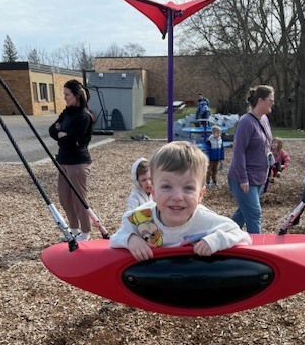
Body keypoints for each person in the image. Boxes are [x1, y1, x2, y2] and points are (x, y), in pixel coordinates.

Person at [110, 141, 251, 261]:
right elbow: (116, 237)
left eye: (188, 188)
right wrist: (131, 240)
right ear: (153, 192)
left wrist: (214, 241)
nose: (177, 197)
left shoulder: (206, 219)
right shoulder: (140, 217)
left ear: (201, 194)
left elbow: (241, 236)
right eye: (166, 186)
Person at [49, 79, 94, 241]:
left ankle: (86, 233)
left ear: (76, 95)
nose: (65, 97)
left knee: (79, 198)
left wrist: (62, 135)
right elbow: (51, 130)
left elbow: (73, 140)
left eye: (67, 94)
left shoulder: (84, 116)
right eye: (64, 94)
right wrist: (62, 135)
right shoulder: (67, 112)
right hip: (64, 161)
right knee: (64, 198)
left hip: (78, 162)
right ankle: (74, 230)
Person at [227, 85, 274, 234]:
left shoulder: (264, 119)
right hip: (244, 179)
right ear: (260, 100)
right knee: (254, 214)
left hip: (258, 177)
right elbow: (238, 152)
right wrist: (243, 179)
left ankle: (225, 234)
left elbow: (265, 145)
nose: (272, 103)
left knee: (243, 213)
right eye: (270, 100)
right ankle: (257, 250)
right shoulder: (246, 122)